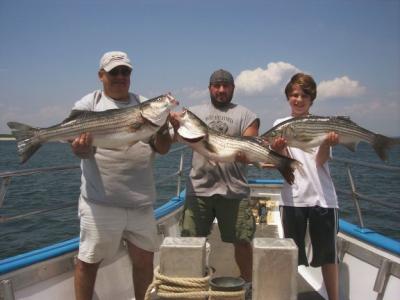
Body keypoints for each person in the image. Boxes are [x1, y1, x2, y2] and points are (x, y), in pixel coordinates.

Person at [70, 51, 172, 300]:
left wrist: (161, 128)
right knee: (88, 262)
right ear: (101, 75)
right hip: (99, 204)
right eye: (114, 72)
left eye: (125, 71)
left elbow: (163, 148)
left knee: (144, 261)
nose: (120, 76)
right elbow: (77, 146)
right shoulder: (89, 103)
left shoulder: (145, 104)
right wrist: (79, 148)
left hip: (140, 203)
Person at [171, 69, 260, 298]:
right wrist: (172, 124)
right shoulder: (194, 113)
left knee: (241, 240)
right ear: (209, 88)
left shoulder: (247, 115)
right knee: (191, 240)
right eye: (216, 85)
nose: (221, 90)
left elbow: (250, 146)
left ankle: (249, 282)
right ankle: (192, 284)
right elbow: (173, 136)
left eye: (226, 86)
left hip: (234, 189)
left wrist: (246, 153)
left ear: (232, 88)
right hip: (199, 188)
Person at [270, 73, 339, 300]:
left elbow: (320, 161)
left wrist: (327, 144)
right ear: (288, 97)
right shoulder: (279, 125)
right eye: (293, 95)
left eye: (303, 95)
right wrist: (279, 149)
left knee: (329, 257)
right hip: (293, 197)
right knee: (291, 255)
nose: (298, 99)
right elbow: (283, 162)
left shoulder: (323, 125)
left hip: (323, 198)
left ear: (312, 98)